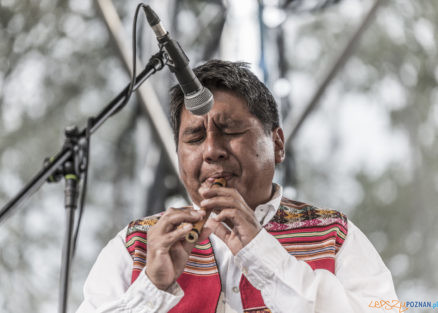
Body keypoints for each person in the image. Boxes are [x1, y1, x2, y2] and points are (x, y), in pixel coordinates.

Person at [76, 60, 397, 313]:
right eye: (195, 137)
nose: (212, 149)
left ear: (277, 144)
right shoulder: (137, 246)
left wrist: (263, 253)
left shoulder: (333, 235)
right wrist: (151, 288)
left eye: (229, 130)